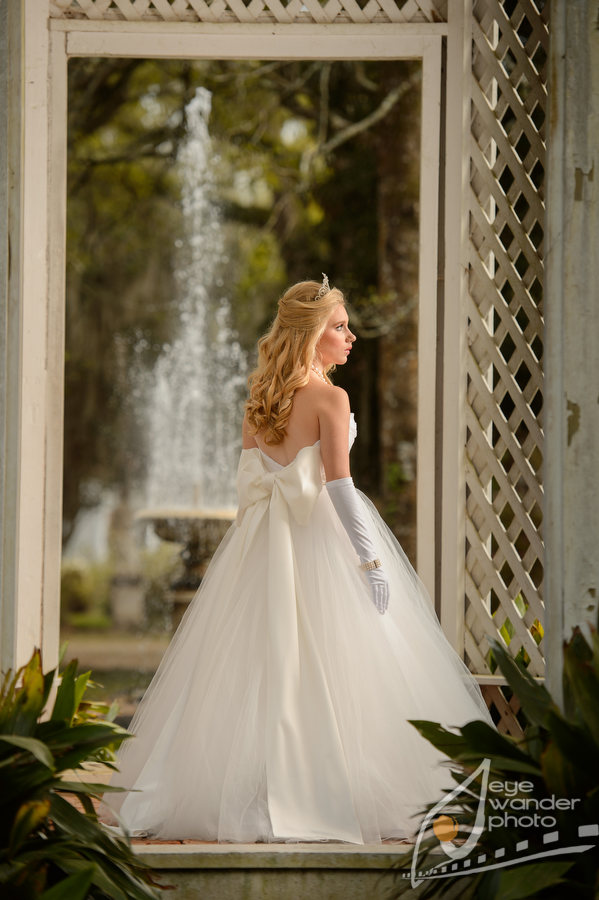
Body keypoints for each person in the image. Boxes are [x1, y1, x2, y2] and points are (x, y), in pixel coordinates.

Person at [105, 276, 492, 844]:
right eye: (339, 327)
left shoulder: (260, 399)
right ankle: (324, 788)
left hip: (262, 543)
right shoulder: (331, 399)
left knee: (254, 667)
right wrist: (371, 561)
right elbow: (339, 487)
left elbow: (250, 483)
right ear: (311, 336)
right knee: (340, 662)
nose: (351, 336)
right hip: (322, 541)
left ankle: (244, 789)